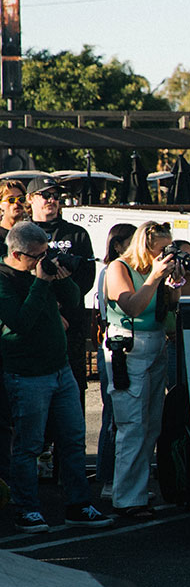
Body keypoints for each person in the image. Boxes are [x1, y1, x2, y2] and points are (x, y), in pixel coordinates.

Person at [0, 223, 113, 531]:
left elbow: (75, 301)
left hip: (60, 369)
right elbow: (21, 322)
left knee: (74, 440)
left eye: (45, 254)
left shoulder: (43, 272)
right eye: (36, 256)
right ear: (15, 254)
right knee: (29, 445)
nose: (42, 261)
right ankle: (27, 509)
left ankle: (79, 504)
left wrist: (60, 279)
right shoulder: (4, 280)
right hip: (26, 375)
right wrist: (40, 282)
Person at [104, 221, 182, 519]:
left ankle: (137, 491)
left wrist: (173, 281)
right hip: (129, 346)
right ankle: (126, 498)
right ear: (145, 246)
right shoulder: (119, 268)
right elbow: (132, 307)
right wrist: (154, 277)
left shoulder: (158, 270)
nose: (165, 255)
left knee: (151, 423)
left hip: (156, 342)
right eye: (162, 249)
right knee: (132, 424)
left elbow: (171, 306)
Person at [27, 177, 95, 411]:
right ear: (31, 199)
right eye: (46, 195)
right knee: (36, 392)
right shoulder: (21, 233)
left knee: (73, 391)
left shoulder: (77, 234)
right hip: (36, 322)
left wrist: (65, 297)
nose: (52, 200)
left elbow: (87, 276)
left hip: (71, 324)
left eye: (56, 196)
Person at [92, 224, 136, 500]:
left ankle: (113, 476)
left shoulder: (121, 270)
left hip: (113, 343)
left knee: (118, 414)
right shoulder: (113, 270)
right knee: (114, 415)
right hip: (114, 346)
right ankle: (108, 477)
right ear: (118, 245)